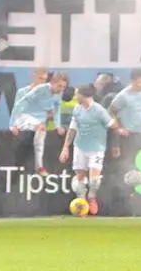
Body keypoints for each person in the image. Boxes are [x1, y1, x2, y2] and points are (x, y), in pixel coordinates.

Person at [60, 84, 125, 216]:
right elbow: (72, 130)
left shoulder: (99, 111)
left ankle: (92, 196)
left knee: (94, 180)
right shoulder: (77, 109)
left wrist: (118, 127)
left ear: (84, 96)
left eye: (77, 94)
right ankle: (82, 203)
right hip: (80, 147)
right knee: (79, 179)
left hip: (96, 148)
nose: (75, 97)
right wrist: (65, 147)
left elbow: (113, 125)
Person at [10, 69, 68, 172]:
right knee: (40, 127)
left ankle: (39, 167)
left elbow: (57, 111)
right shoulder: (40, 89)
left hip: (38, 124)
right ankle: (38, 166)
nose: (61, 89)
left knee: (41, 130)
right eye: (59, 86)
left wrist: (58, 126)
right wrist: (13, 124)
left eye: (64, 87)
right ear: (52, 83)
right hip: (24, 117)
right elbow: (21, 103)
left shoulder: (59, 94)